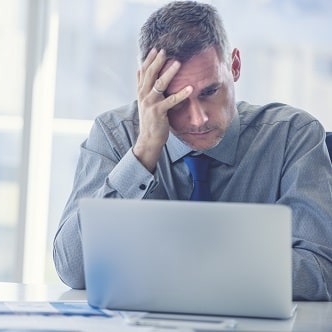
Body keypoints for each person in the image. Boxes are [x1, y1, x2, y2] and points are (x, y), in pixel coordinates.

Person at [53, 1, 332, 301]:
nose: (198, 119)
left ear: (235, 65)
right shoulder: (114, 134)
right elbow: (72, 267)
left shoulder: (294, 135)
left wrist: (178, 264)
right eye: (175, 100)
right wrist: (143, 152)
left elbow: (319, 271)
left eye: (210, 91)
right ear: (147, 88)